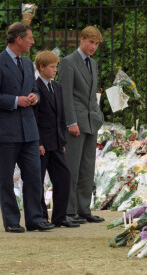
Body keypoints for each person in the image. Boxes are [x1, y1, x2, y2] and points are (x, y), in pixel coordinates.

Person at [0, 22, 54, 232]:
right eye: (30, 38)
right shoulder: (1, 61)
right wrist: (15, 101)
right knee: (5, 179)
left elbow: (34, 90)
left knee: (33, 176)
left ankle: (35, 218)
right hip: (6, 132)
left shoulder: (27, 63)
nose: (33, 42)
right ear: (19, 39)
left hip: (29, 131)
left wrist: (35, 96)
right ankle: (12, 221)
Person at [58, 26, 105, 224]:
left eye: (96, 44)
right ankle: (69, 211)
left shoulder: (93, 63)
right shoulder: (68, 62)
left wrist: (97, 115)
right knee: (72, 167)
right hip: (76, 122)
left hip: (91, 121)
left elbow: (92, 95)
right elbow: (65, 95)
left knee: (87, 167)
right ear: (82, 39)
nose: (93, 46)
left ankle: (83, 209)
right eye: (91, 42)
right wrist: (71, 122)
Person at [34, 51, 80, 228]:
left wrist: (62, 141)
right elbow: (34, 118)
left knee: (64, 177)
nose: (55, 70)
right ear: (42, 68)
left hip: (56, 143)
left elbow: (61, 118)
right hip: (42, 144)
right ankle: (41, 217)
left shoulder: (57, 88)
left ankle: (59, 217)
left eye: (56, 66)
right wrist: (38, 142)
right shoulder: (35, 87)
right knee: (38, 180)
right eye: (52, 67)